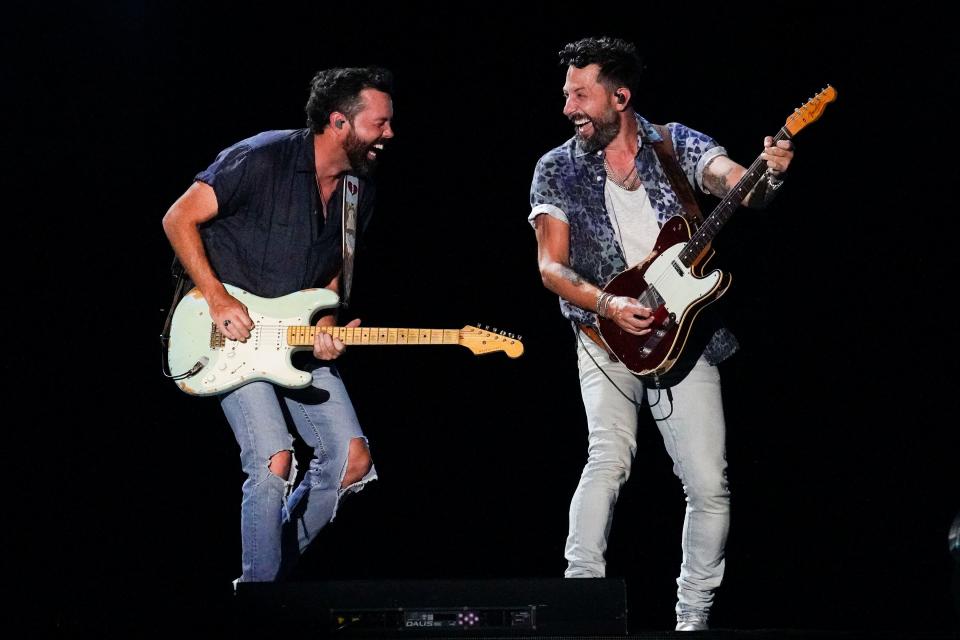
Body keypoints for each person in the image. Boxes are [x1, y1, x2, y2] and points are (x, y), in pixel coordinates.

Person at [528, 37, 793, 631]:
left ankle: (691, 620)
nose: (567, 104)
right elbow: (550, 267)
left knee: (709, 483)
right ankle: (580, 604)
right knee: (608, 460)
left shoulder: (673, 142)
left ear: (620, 96)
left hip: (683, 332)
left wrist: (767, 174)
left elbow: (731, 181)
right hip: (601, 335)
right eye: (566, 92)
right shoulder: (557, 167)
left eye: (580, 93)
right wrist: (608, 303)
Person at [162, 67, 395, 583]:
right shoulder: (262, 156)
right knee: (274, 459)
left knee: (351, 460)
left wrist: (329, 325)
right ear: (339, 123)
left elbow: (333, 271)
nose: (389, 134)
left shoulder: (360, 190)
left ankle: (269, 583)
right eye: (379, 124)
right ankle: (260, 600)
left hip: (297, 339)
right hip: (228, 335)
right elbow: (177, 218)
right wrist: (219, 298)